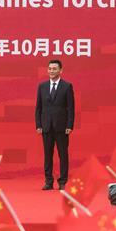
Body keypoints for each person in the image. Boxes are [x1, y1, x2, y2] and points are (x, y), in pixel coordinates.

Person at [35, 59, 75, 190]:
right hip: (46, 126)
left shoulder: (67, 86)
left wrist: (69, 125)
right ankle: (48, 181)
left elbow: (71, 108)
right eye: (50, 69)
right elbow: (38, 108)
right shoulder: (42, 86)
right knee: (47, 155)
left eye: (54, 69)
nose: (52, 71)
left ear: (60, 70)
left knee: (63, 154)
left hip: (62, 127)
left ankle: (63, 181)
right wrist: (38, 125)